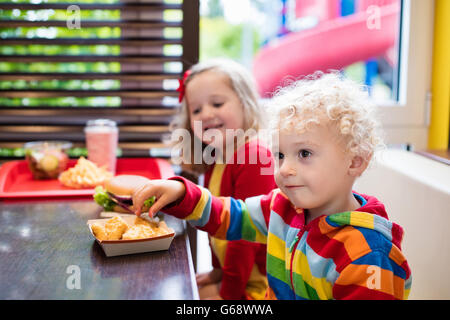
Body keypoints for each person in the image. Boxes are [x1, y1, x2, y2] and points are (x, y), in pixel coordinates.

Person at [135, 72, 412, 300]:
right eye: (280, 155)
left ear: (355, 161)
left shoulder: (368, 256)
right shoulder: (282, 206)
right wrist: (183, 193)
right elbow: (232, 216)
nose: (284, 169)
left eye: (304, 154)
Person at [169, 58, 276, 300]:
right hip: (240, 278)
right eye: (196, 110)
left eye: (217, 103)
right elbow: (215, 223)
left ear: (245, 104)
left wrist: (229, 294)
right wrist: (219, 272)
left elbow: (244, 236)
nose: (206, 114)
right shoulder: (217, 158)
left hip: (264, 287)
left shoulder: (254, 156)